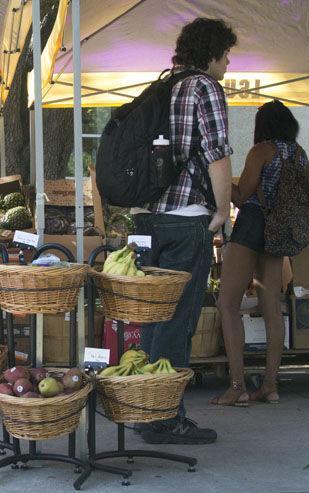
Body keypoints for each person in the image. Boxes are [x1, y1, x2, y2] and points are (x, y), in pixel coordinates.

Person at [133, 18, 236, 445]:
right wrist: (223, 210)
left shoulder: (160, 86)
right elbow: (216, 154)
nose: (228, 63)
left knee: (153, 318)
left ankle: (143, 409)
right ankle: (164, 418)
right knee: (178, 320)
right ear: (212, 54)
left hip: (145, 219)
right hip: (184, 218)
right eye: (226, 55)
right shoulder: (205, 88)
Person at [212, 100, 309, 407]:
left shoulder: (262, 151)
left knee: (227, 303)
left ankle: (237, 385)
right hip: (282, 230)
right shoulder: (299, 154)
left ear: (262, 126)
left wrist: (223, 181)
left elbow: (243, 196)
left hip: (254, 225)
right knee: (272, 307)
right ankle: (270, 385)